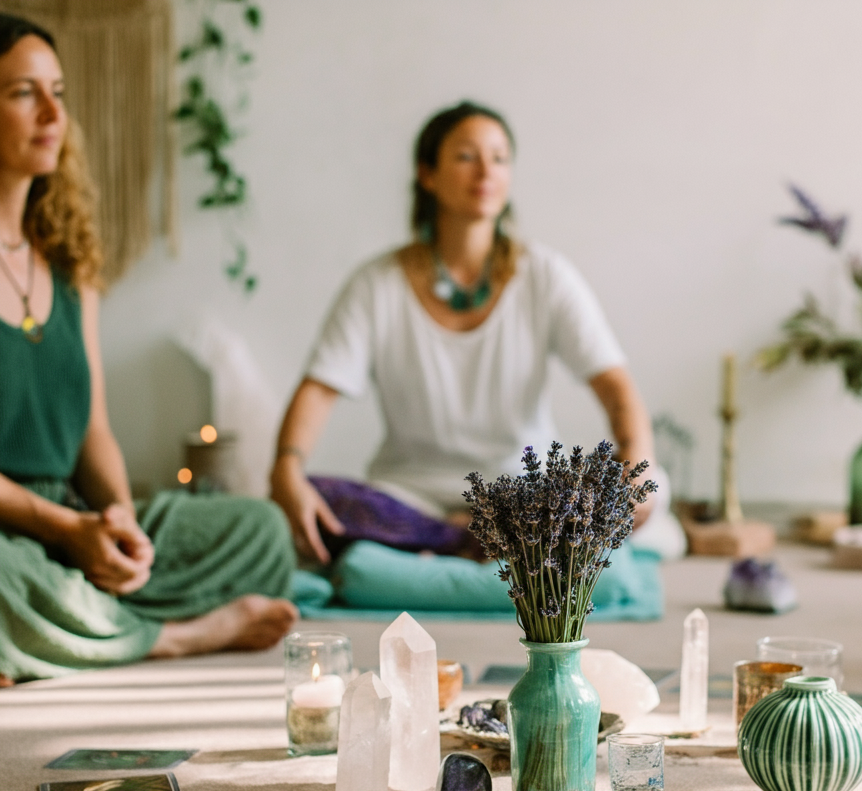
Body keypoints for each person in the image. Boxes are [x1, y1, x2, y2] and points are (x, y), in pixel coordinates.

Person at [0, 15, 297, 684]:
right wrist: (62, 532)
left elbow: (93, 427)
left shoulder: (69, 260)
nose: (53, 113)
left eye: (60, 90)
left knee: (261, 532)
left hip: (72, 515)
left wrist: (119, 524)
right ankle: (176, 637)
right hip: (14, 524)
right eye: (23, 93)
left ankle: (64, 626)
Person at [272, 101, 670, 565]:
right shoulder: (376, 284)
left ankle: (466, 543)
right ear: (428, 174)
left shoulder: (545, 275)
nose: (486, 170)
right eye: (465, 156)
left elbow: (613, 385)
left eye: (500, 158)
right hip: (409, 499)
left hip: (526, 499)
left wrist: (636, 465)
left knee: (647, 486)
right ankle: (473, 542)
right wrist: (286, 467)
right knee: (315, 502)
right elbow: (319, 390)